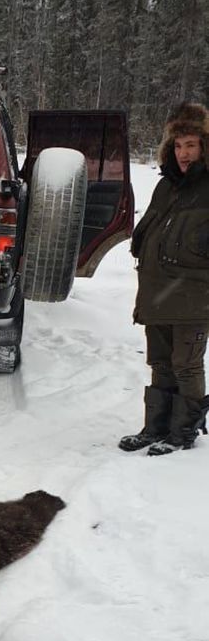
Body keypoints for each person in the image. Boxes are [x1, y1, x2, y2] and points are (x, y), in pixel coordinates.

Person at [119, 101, 209, 456]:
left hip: (194, 297)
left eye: (191, 144)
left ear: (204, 145)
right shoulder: (166, 186)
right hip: (157, 292)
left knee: (186, 365)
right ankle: (155, 426)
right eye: (178, 145)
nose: (184, 153)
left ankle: (183, 432)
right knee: (160, 363)